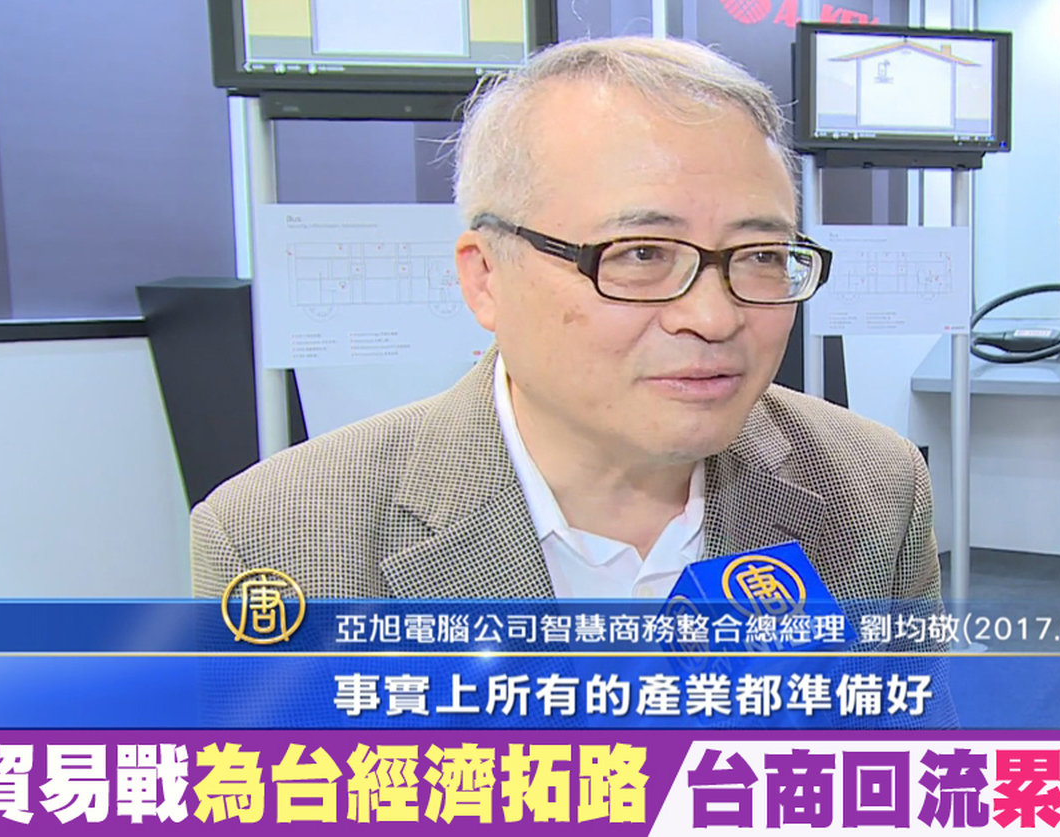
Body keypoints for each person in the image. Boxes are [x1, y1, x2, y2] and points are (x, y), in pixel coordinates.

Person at [190, 37, 942, 612]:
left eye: (762, 256)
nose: (714, 318)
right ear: (486, 277)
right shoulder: (283, 537)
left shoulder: (873, 488)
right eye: (641, 254)